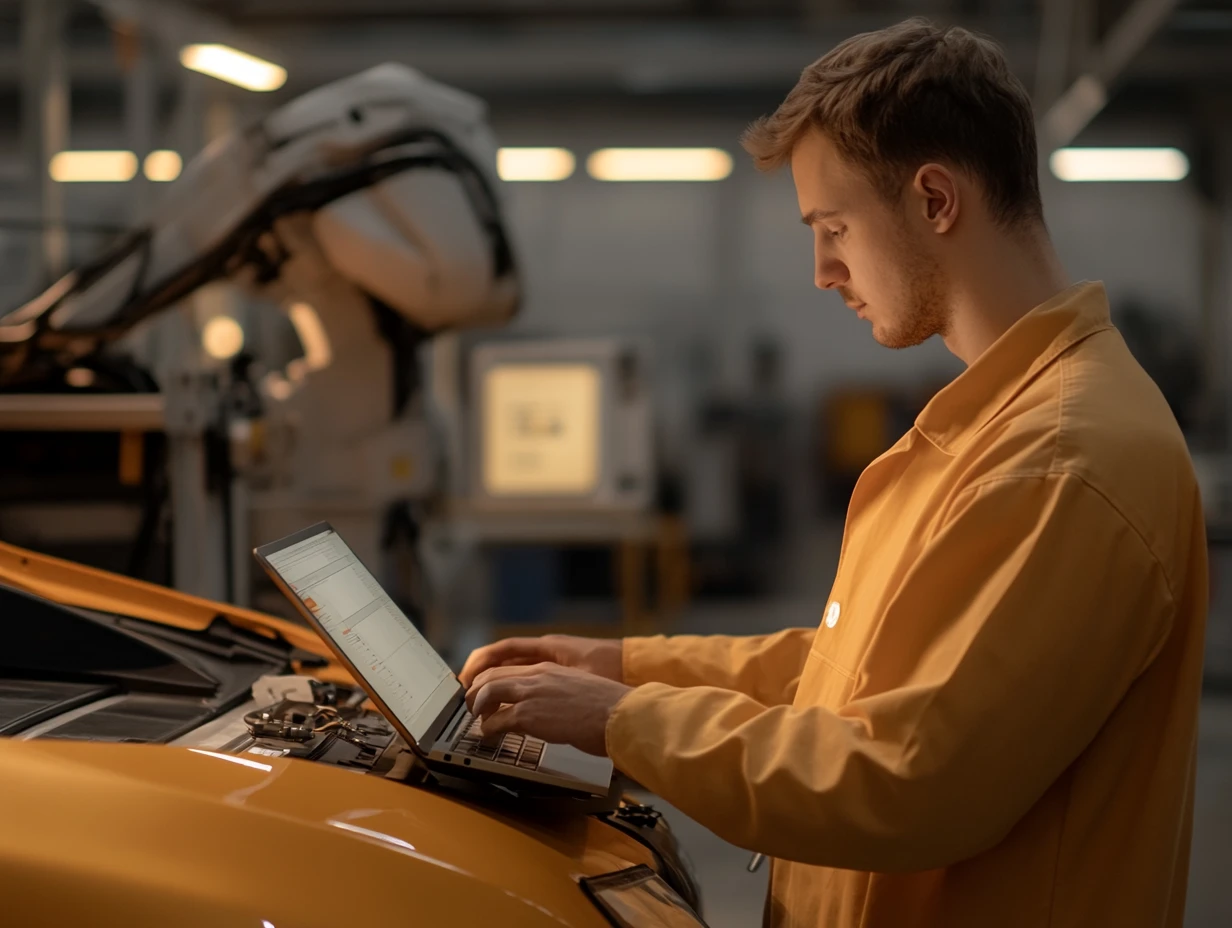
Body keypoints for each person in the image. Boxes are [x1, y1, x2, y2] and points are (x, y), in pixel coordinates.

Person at [460, 17, 1207, 928]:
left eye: (835, 226)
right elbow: (851, 675)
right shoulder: (998, 425)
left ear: (936, 199)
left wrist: (624, 721)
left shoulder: (1062, 461)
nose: (821, 271)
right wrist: (623, 666)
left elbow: (911, 778)